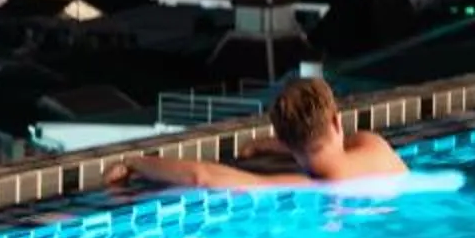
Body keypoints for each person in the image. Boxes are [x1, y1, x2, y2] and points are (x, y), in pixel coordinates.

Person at [107, 75, 407, 190]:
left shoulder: (316, 185)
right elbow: (323, 142)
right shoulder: (374, 145)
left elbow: (202, 177)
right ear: (337, 122)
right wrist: (266, 146)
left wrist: (135, 162)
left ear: (287, 140)